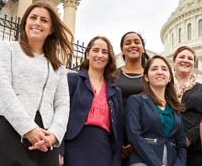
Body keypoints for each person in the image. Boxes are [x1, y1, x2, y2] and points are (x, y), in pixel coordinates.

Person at [0, 0, 73, 165]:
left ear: (51, 29)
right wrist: (28, 129)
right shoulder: (7, 49)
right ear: (25, 22)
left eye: (44, 20)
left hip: (46, 140)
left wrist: (54, 135)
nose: (37, 23)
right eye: (33, 17)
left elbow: (63, 105)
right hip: (10, 130)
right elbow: (2, 90)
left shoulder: (58, 66)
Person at [59, 36, 123, 166]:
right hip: (73, 146)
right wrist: (60, 149)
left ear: (109, 57)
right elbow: (61, 114)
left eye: (104, 52)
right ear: (88, 54)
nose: (99, 55)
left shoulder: (115, 92)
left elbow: (118, 130)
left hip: (103, 151)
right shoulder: (72, 80)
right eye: (95, 50)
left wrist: (116, 161)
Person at [125, 55, 187, 166]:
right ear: (146, 77)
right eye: (154, 69)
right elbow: (134, 136)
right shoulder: (136, 101)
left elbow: (181, 146)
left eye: (164, 69)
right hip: (143, 162)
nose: (159, 72)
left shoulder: (176, 108)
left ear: (169, 78)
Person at [115, 31, 150, 162]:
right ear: (122, 50)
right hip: (115, 137)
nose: (133, 45)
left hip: (144, 138)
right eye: (128, 43)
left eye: (137, 42)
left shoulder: (150, 75)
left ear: (143, 48)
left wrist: (137, 142)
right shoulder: (113, 74)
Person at [172, 46, 202, 166]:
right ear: (174, 61)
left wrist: (189, 137)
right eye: (181, 57)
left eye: (190, 58)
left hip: (195, 147)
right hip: (167, 144)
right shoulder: (164, 86)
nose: (186, 60)